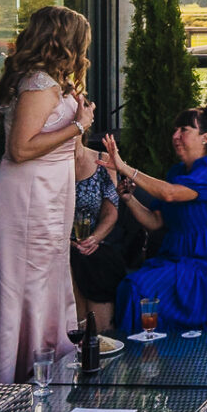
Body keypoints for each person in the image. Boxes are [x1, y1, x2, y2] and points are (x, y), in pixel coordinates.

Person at [0, 5, 92, 386]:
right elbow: (21, 149)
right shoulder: (39, 84)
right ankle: (12, 377)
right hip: (26, 198)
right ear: (64, 41)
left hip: (49, 197)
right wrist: (77, 125)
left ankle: (44, 369)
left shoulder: (52, 82)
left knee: (45, 281)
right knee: (22, 285)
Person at [100, 106, 207, 335]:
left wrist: (124, 168)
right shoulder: (177, 172)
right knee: (130, 287)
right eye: (175, 129)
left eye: (184, 130)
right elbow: (155, 222)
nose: (175, 135)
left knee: (138, 288)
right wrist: (128, 199)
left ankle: (144, 353)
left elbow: (169, 194)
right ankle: (150, 355)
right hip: (178, 259)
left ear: (205, 138)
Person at [68, 139, 127, 332]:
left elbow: (111, 210)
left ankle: (101, 338)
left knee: (98, 260)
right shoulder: (47, 164)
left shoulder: (102, 160)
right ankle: (79, 339)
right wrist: (67, 242)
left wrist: (95, 238)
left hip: (97, 241)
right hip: (59, 242)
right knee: (68, 261)